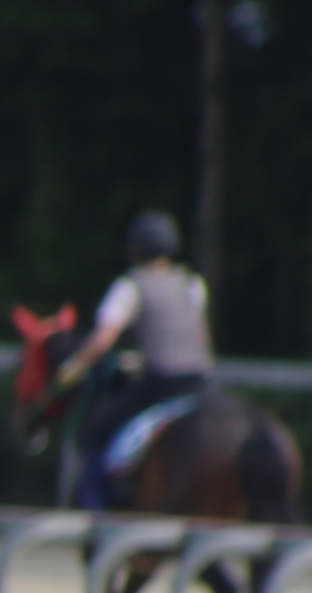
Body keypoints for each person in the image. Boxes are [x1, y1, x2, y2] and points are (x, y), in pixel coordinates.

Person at [58, 210, 213, 510]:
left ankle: (95, 512)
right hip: (199, 384)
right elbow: (199, 339)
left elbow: (103, 340)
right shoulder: (192, 284)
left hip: (161, 385)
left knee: (96, 432)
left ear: (135, 250)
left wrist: (74, 367)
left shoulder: (130, 286)